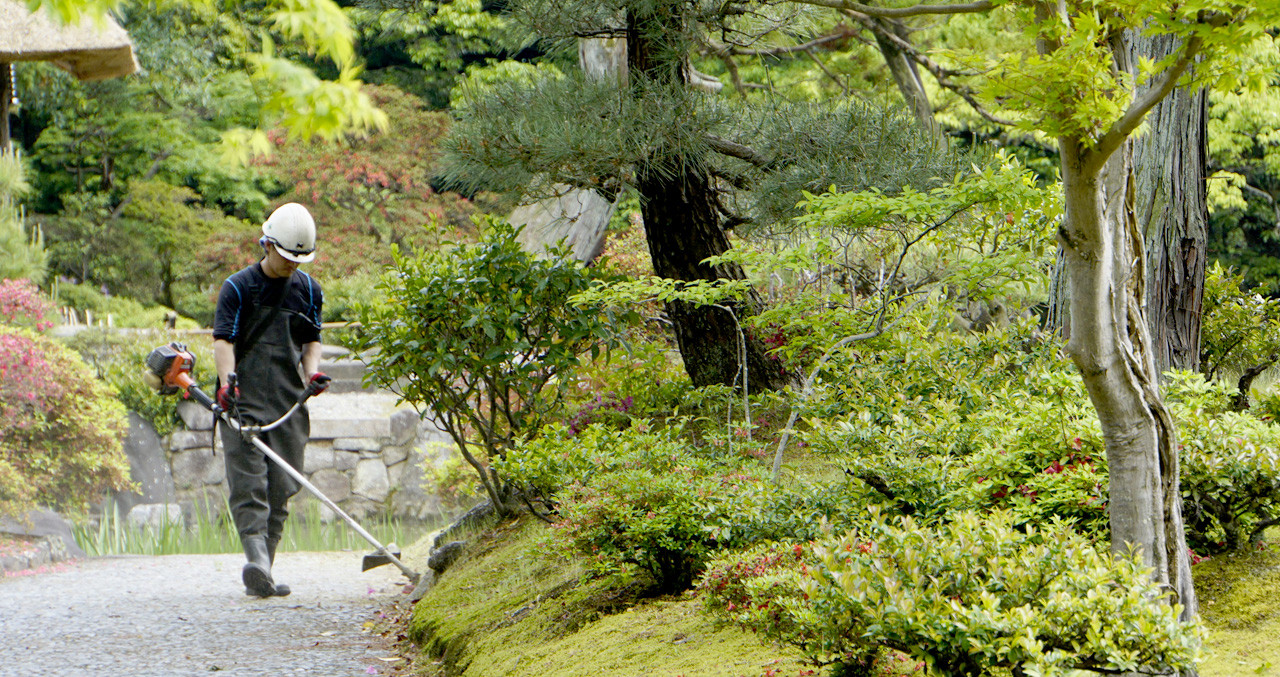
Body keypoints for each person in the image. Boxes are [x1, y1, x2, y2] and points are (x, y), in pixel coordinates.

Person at [212, 202, 328, 598]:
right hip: (241, 400)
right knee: (249, 486)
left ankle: (264, 570)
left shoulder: (309, 290)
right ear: (267, 244)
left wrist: (312, 375)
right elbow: (223, 340)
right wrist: (228, 384)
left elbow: (311, 341)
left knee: (282, 485)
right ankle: (257, 561)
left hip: (287, 400)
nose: (292, 264)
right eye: (286, 256)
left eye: (300, 259)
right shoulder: (238, 288)